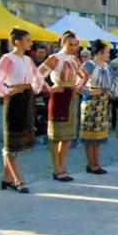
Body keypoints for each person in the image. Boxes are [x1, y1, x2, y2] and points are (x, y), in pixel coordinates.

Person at [0, 28, 46, 194]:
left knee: (18, 140)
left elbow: (38, 77)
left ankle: (7, 178)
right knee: (11, 140)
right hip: (15, 100)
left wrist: (33, 90)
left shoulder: (27, 59)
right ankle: (17, 179)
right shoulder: (8, 59)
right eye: (27, 40)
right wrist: (6, 91)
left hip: (26, 99)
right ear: (17, 41)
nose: (30, 43)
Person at [38, 30, 83, 182]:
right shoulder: (55, 58)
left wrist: (78, 87)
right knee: (56, 135)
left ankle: (62, 166)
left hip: (71, 96)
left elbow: (85, 76)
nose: (73, 47)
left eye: (75, 45)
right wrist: (50, 88)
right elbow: (38, 74)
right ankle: (56, 168)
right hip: (58, 95)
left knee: (67, 136)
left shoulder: (74, 60)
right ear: (63, 43)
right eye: (70, 44)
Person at [80, 39, 116, 174]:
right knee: (90, 135)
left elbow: (113, 81)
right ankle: (91, 163)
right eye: (106, 52)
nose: (108, 55)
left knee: (98, 136)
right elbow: (78, 82)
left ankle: (96, 162)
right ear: (100, 53)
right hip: (91, 102)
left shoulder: (107, 67)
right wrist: (89, 91)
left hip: (103, 102)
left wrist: (110, 92)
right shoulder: (89, 65)